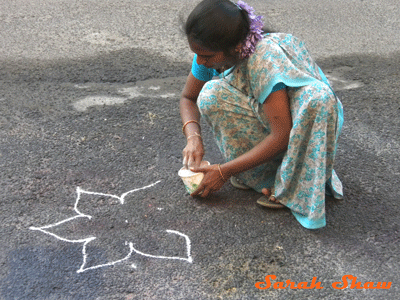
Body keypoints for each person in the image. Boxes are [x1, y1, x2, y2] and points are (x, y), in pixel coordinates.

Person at [179, 0, 344, 229]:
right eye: (197, 54)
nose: (201, 61)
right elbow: (188, 98)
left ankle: (294, 184)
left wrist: (223, 171)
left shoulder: (264, 60)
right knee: (210, 94)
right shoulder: (212, 53)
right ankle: (260, 176)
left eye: (206, 56)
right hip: (272, 121)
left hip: (301, 132)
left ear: (234, 48)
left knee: (318, 100)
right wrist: (193, 138)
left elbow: (282, 134)